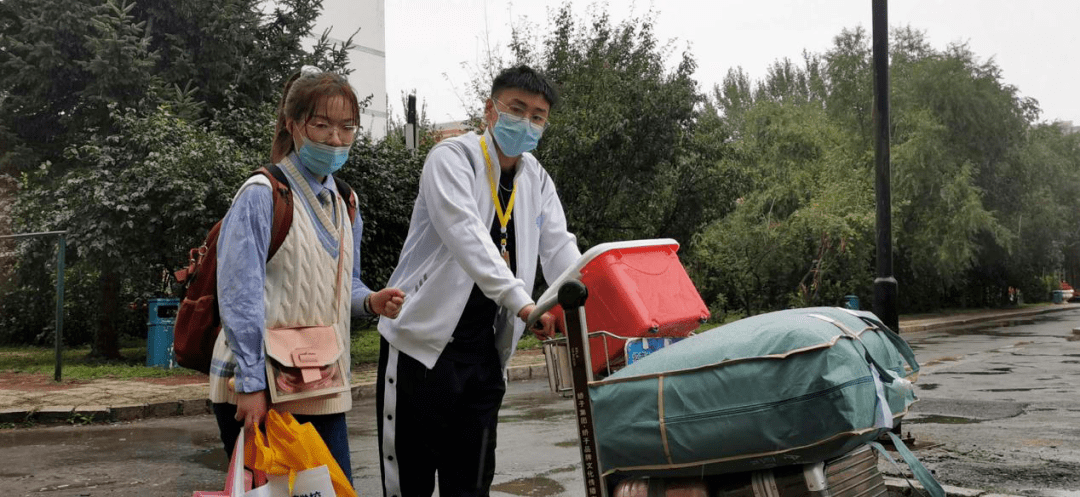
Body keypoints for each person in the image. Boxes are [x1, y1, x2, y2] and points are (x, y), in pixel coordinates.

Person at [375, 64, 581, 496]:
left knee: (470, 486)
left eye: (538, 116)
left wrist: (574, 296)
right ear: (490, 110)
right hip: (421, 348)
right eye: (516, 108)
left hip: (485, 356)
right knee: (408, 486)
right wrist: (524, 302)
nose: (526, 122)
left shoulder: (537, 179)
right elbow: (467, 237)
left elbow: (559, 245)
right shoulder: (452, 159)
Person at [208, 66, 406, 484]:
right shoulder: (262, 195)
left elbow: (342, 287)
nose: (336, 139)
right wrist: (249, 385)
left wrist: (370, 301)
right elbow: (238, 297)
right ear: (293, 125)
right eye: (322, 125)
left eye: (347, 127)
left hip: (322, 382)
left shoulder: (346, 203)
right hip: (262, 385)